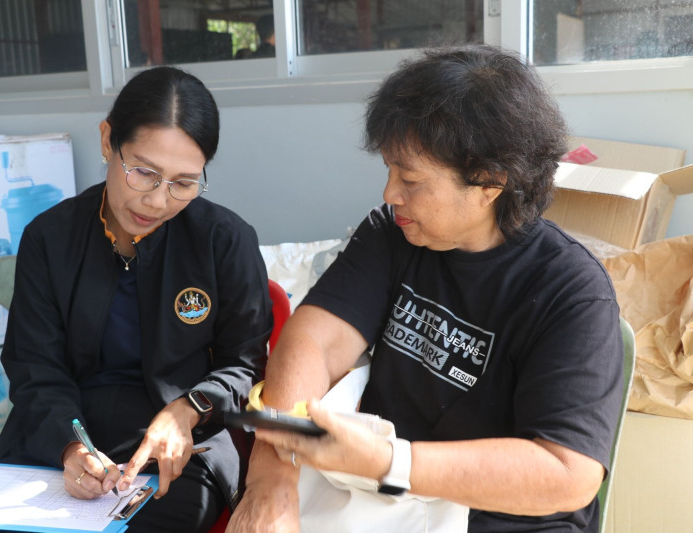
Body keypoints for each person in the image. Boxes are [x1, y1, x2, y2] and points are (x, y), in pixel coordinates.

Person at [227, 44, 624, 532]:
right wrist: (272, 481)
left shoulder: (572, 292)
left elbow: (568, 474)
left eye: (410, 180)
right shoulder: (392, 234)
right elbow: (314, 341)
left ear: (490, 182)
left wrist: (390, 461)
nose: (390, 193)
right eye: (389, 170)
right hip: (382, 502)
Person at [0, 67, 271, 533]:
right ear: (107, 140)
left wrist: (188, 409)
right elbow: (35, 368)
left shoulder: (224, 241)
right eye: (144, 172)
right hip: (59, 441)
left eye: (183, 182)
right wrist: (71, 448)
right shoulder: (49, 239)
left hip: (176, 452)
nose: (157, 200)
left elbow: (246, 364)